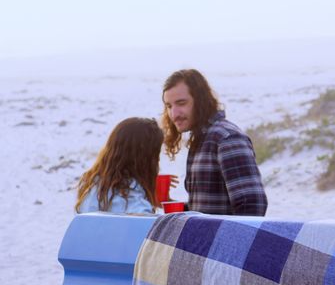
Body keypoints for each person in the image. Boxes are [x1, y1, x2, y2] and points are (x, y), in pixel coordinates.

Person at [161, 69, 268, 216]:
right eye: (169, 106)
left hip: (224, 239)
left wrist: (230, 239)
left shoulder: (226, 138)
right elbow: (207, 209)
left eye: (181, 103)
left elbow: (252, 205)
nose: (174, 114)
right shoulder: (202, 139)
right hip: (206, 238)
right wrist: (177, 210)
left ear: (201, 101)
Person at [75, 117, 164, 214]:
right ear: (145, 159)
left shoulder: (93, 187)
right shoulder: (135, 201)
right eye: (156, 154)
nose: (158, 161)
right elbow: (146, 222)